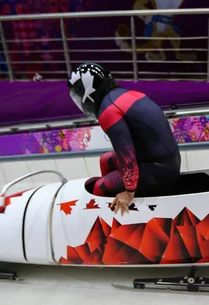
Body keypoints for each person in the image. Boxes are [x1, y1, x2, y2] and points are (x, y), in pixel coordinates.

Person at [68, 63, 181, 215]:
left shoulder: (108, 111)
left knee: (99, 188)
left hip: (158, 172)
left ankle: (110, 223)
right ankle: (117, 204)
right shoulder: (124, 94)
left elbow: (126, 156)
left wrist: (129, 191)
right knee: (104, 160)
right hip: (166, 162)